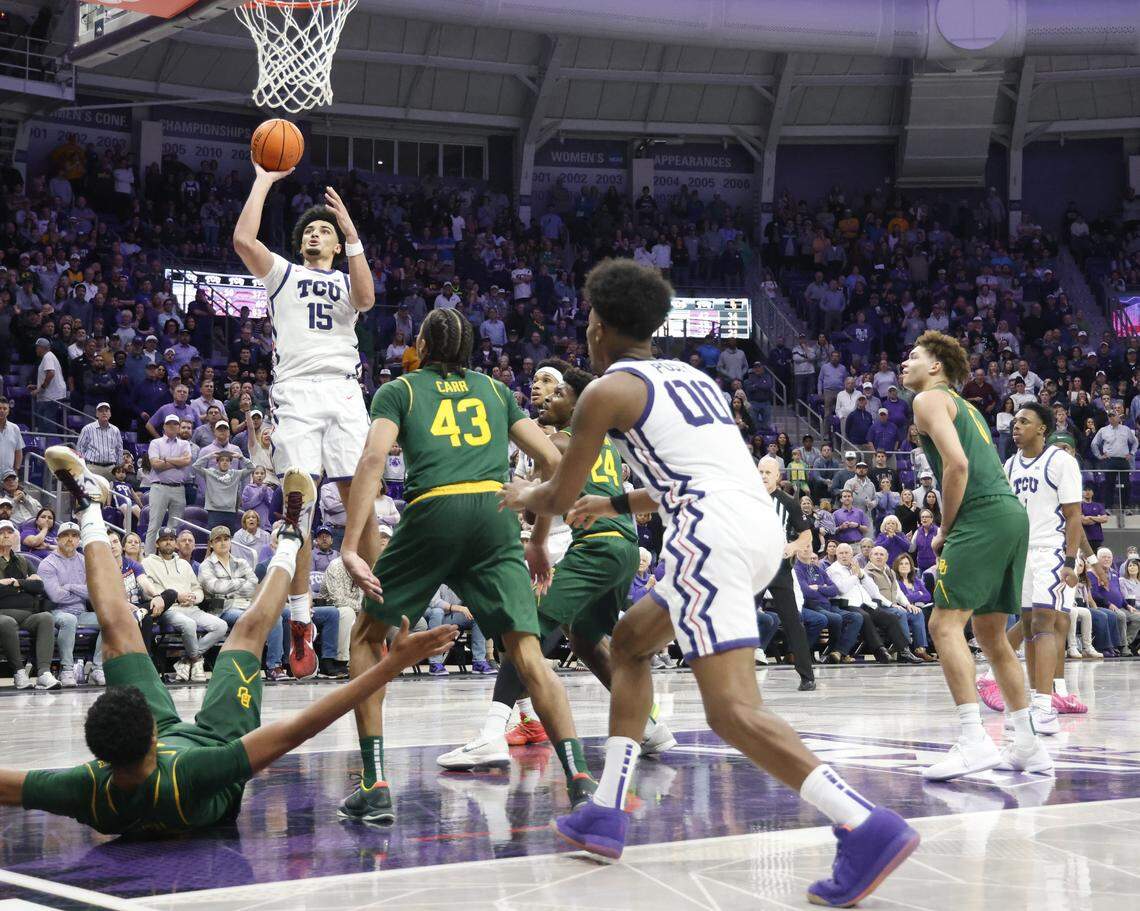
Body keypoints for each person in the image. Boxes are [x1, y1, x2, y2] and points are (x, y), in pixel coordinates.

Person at [499, 259, 917, 907]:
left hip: (707, 533)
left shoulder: (605, 391)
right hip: (751, 524)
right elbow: (692, 471)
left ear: (598, 326)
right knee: (632, 640)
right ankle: (606, 808)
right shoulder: (695, 378)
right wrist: (614, 506)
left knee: (731, 710)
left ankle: (864, 822)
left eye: (587, 319)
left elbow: (559, 489)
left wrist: (522, 491)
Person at [0, 447, 457, 835]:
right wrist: (389, 665)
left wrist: (390, 665)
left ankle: (89, 505)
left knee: (118, 630)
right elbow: (299, 728)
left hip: (152, 760)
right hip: (216, 742)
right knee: (248, 631)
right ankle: (291, 534)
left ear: (97, 757)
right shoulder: (191, 774)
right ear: (154, 735)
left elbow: (9, 785)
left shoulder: (87, 789)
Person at [336, 308, 595, 824]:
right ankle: (581, 782)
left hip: (435, 510)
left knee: (367, 637)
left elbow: (371, 461)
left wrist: (350, 543)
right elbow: (553, 462)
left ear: (423, 347)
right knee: (527, 652)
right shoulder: (496, 392)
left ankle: (376, 783)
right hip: (494, 515)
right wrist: (535, 523)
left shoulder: (401, 390)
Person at [436, 367, 676, 770]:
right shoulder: (603, 445)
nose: (549, 398)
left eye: (560, 392)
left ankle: (492, 733)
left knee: (525, 627)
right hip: (623, 549)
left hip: (598, 547)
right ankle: (651, 727)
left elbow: (536, 504)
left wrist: (523, 494)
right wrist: (539, 541)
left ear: (579, 406)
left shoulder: (562, 441)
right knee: (585, 641)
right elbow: (549, 502)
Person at [234, 155, 381, 681]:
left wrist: (351, 231)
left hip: (344, 392)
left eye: (326, 231)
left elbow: (366, 297)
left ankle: (382, 611)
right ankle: (300, 623)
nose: (318, 234)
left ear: (336, 244)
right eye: (312, 231)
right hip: (295, 391)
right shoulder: (283, 273)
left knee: (361, 500)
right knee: (301, 504)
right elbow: (244, 242)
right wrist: (263, 180)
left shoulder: (346, 279)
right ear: (301, 245)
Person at [900, 330, 1051, 780]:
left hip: (980, 516)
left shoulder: (927, 400)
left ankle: (972, 739)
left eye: (913, 356)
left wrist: (945, 528)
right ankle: (1026, 743)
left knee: (942, 624)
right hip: (1010, 515)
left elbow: (958, 464)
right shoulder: (968, 407)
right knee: (991, 635)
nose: (904, 363)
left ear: (935, 367)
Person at [755, 456, 817, 691]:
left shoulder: (788, 503)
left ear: (778, 476)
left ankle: (807, 675)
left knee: (792, 621)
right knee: (740, 619)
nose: (762, 476)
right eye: (760, 471)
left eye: (767, 472)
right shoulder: (746, 500)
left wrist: (792, 546)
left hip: (779, 569)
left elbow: (807, 535)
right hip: (753, 568)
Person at [142, 526, 227, 683]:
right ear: (157, 543)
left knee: (221, 626)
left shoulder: (184, 564)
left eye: (171, 539)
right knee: (188, 624)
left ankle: (185, 660)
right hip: (169, 610)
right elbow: (149, 592)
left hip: (191, 608)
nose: (168, 542)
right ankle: (196, 661)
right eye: (164, 540)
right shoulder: (147, 562)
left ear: (175, 543)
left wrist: (194, 597)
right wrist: (176, 598)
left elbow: (197, 589)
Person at [40, 521, 105, 687]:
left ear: (79, 540)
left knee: (109, 619)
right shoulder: (48, 563)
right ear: (57, 539)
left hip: (82, 613)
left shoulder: (86, 561)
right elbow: (55, 596)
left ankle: (98, 668)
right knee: (69, 620)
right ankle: (67, 670)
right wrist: (82, 591)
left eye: (75, 535)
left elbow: (95, 592)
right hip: (57, 612)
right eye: (66, 535)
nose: (70, 539)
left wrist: (69, 587)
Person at [0, 519, 58, 690]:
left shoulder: (23, 561)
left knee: (46, 618)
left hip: (27, 614)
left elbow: (39, 586)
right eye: (2, 532)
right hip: (3, 614)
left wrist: (15, 582)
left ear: (14, 536)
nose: (6, 535)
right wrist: (25, 584)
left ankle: (44, 673)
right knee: (6, 622)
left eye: (9, 532)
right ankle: (19, 672)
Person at [145, 414, 192, 554]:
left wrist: (166, 459)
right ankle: (149, 557)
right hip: (159, 487)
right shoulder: (156, 443)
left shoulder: (185, 444)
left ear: (178, 427)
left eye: (175, 424)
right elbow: (155, 464)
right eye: (169, 424)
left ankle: (170, 556)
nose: (172, 426)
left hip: (179, 488)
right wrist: (178, 462)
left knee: (175, 527)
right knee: (154, 525)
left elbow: (187, 461)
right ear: (164, 426)